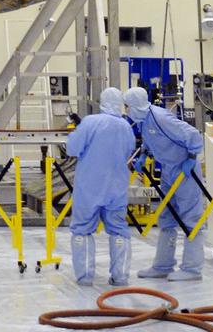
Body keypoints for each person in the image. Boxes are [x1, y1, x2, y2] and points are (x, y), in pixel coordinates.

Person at [124, 86, 205, 281]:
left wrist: (192, 157)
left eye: (127, 106)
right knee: (167, 218)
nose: (125, 110)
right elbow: (151, 141)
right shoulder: (144, 120)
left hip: (185, 170)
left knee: (191, 219)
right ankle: (163, 265)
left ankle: (192, 269)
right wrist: (145, 154)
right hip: (169, 170)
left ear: (135, 105)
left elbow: (193, 135)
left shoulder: (161, 118)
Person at [67, 87, 135, 287]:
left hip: (90, 186)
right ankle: (120, 276)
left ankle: (85, 276)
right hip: (116, 186)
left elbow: (72, 148)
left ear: (101, 101)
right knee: (118, 229)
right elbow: (129, 150)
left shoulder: (90, 122)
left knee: (82, 229)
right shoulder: (125, 126)